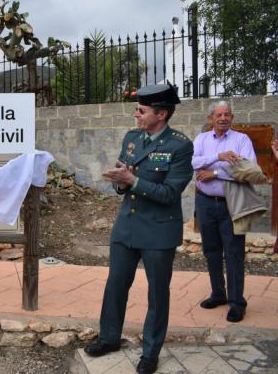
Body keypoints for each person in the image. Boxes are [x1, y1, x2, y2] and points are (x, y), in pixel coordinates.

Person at [84, 84, 194, 374]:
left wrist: (132, 182)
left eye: (142, 111)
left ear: (162, 114)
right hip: (127, 226)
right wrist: (121, 182)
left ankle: (150, 352)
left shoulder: (180, 146)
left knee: (157, 293)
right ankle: (109, 339)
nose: (136, 115)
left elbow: (170, 193)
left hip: (159, 232)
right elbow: (126, 179)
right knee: (116, 285)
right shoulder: (133, 138)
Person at [192, 101, 256, 323]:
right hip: (205, 202)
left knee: (234, 253)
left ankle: (237, 302)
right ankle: (218, 294)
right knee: (211, 250)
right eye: (218, 114)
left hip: (232, 203)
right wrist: (218, 158)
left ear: (232, 118)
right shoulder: (201, 139)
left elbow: (248, 168)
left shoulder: (241, 140)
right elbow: (193, 162)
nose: (223, 118)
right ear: (211, 118)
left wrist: (215, 173)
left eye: (227, 114)